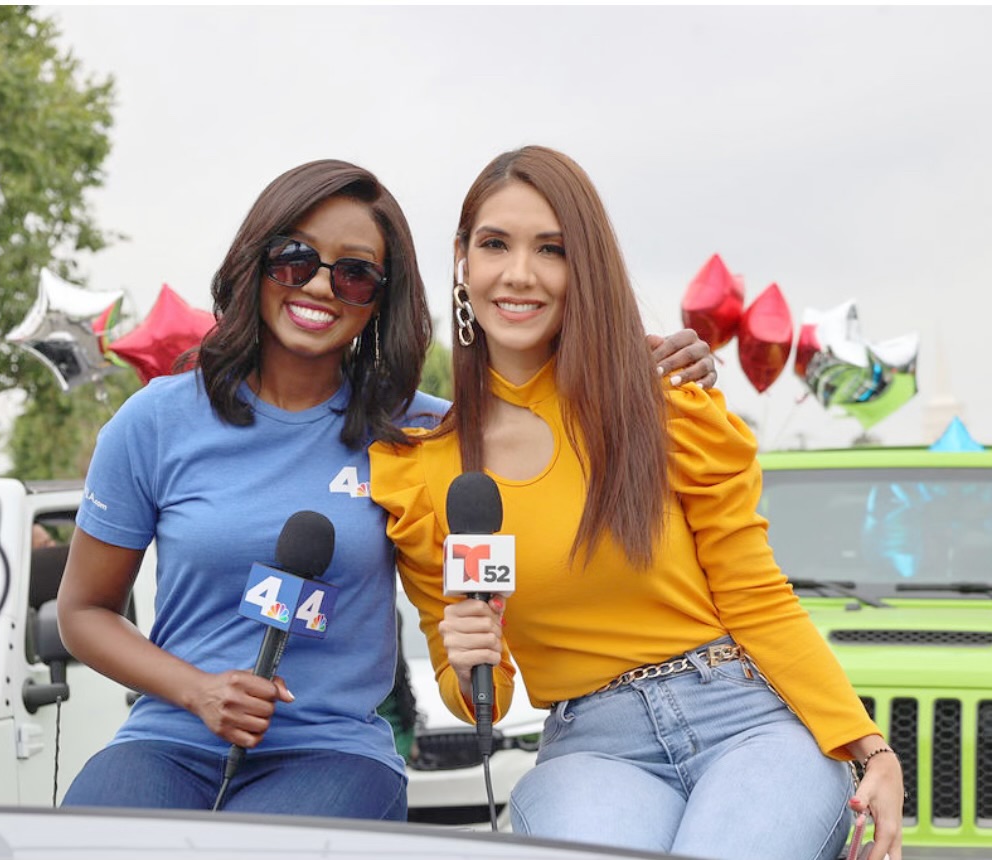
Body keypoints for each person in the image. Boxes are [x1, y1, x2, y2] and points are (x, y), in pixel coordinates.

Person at [56, 157, 717, 819]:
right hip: (168, 739)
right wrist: (197, 691)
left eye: (355, 273)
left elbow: (551, 427)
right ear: (254, 263)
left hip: (333, 755)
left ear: (381, 298)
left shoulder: (423, 432)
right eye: (295, 259)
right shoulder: (154, 423)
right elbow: (84, 613)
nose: (320, 287)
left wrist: (660, 373)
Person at [370, 145, 905, 860]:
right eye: (495, 244)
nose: (520, 273)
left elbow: (756, 595)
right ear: (462, 259)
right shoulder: (422, 469)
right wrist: (469, 656)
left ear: (582, 268)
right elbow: (483, 700)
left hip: (745, 717)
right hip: (592, 749)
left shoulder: (666, 406)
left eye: (551, 249)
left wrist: (870, 747)